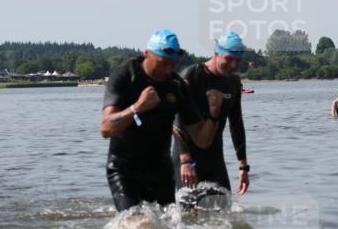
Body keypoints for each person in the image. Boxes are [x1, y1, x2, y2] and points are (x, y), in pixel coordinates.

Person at [100, 29, 223, 212]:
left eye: (172, 65)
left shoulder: (177, 86)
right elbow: (106, 128)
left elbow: (202, 140)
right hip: (124, 170)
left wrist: (214, 114)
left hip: (160, 172)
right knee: (138, 227)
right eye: (162, 63)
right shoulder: (126, 75)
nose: (167, 70)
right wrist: (137, 107)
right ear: (147, 54)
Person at [173, 31, 250, 195]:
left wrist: (243, 166)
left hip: (214, 158)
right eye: (228, 59)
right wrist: (185, 160)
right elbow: (176, 118)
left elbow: (236, 124)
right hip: (187, 157)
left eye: (237, 60)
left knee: (225, 212)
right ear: (216, 54)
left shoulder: (234, 83)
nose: (233, 65)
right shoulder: (192, 75)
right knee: (189, 213)